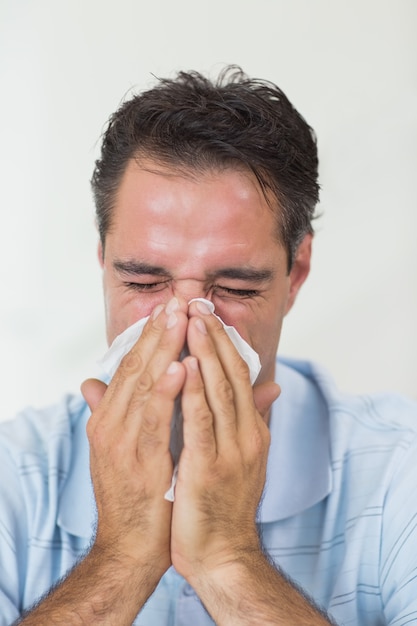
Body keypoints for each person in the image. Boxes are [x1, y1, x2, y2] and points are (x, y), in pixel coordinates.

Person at [1, 66, 417, 626]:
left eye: (235, 288)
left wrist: (228, 559)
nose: (184, 325)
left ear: (296, 272)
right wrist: (120, 556)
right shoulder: (14, 475)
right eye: (145, 283)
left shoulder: (399, 470)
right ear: (103, 262)